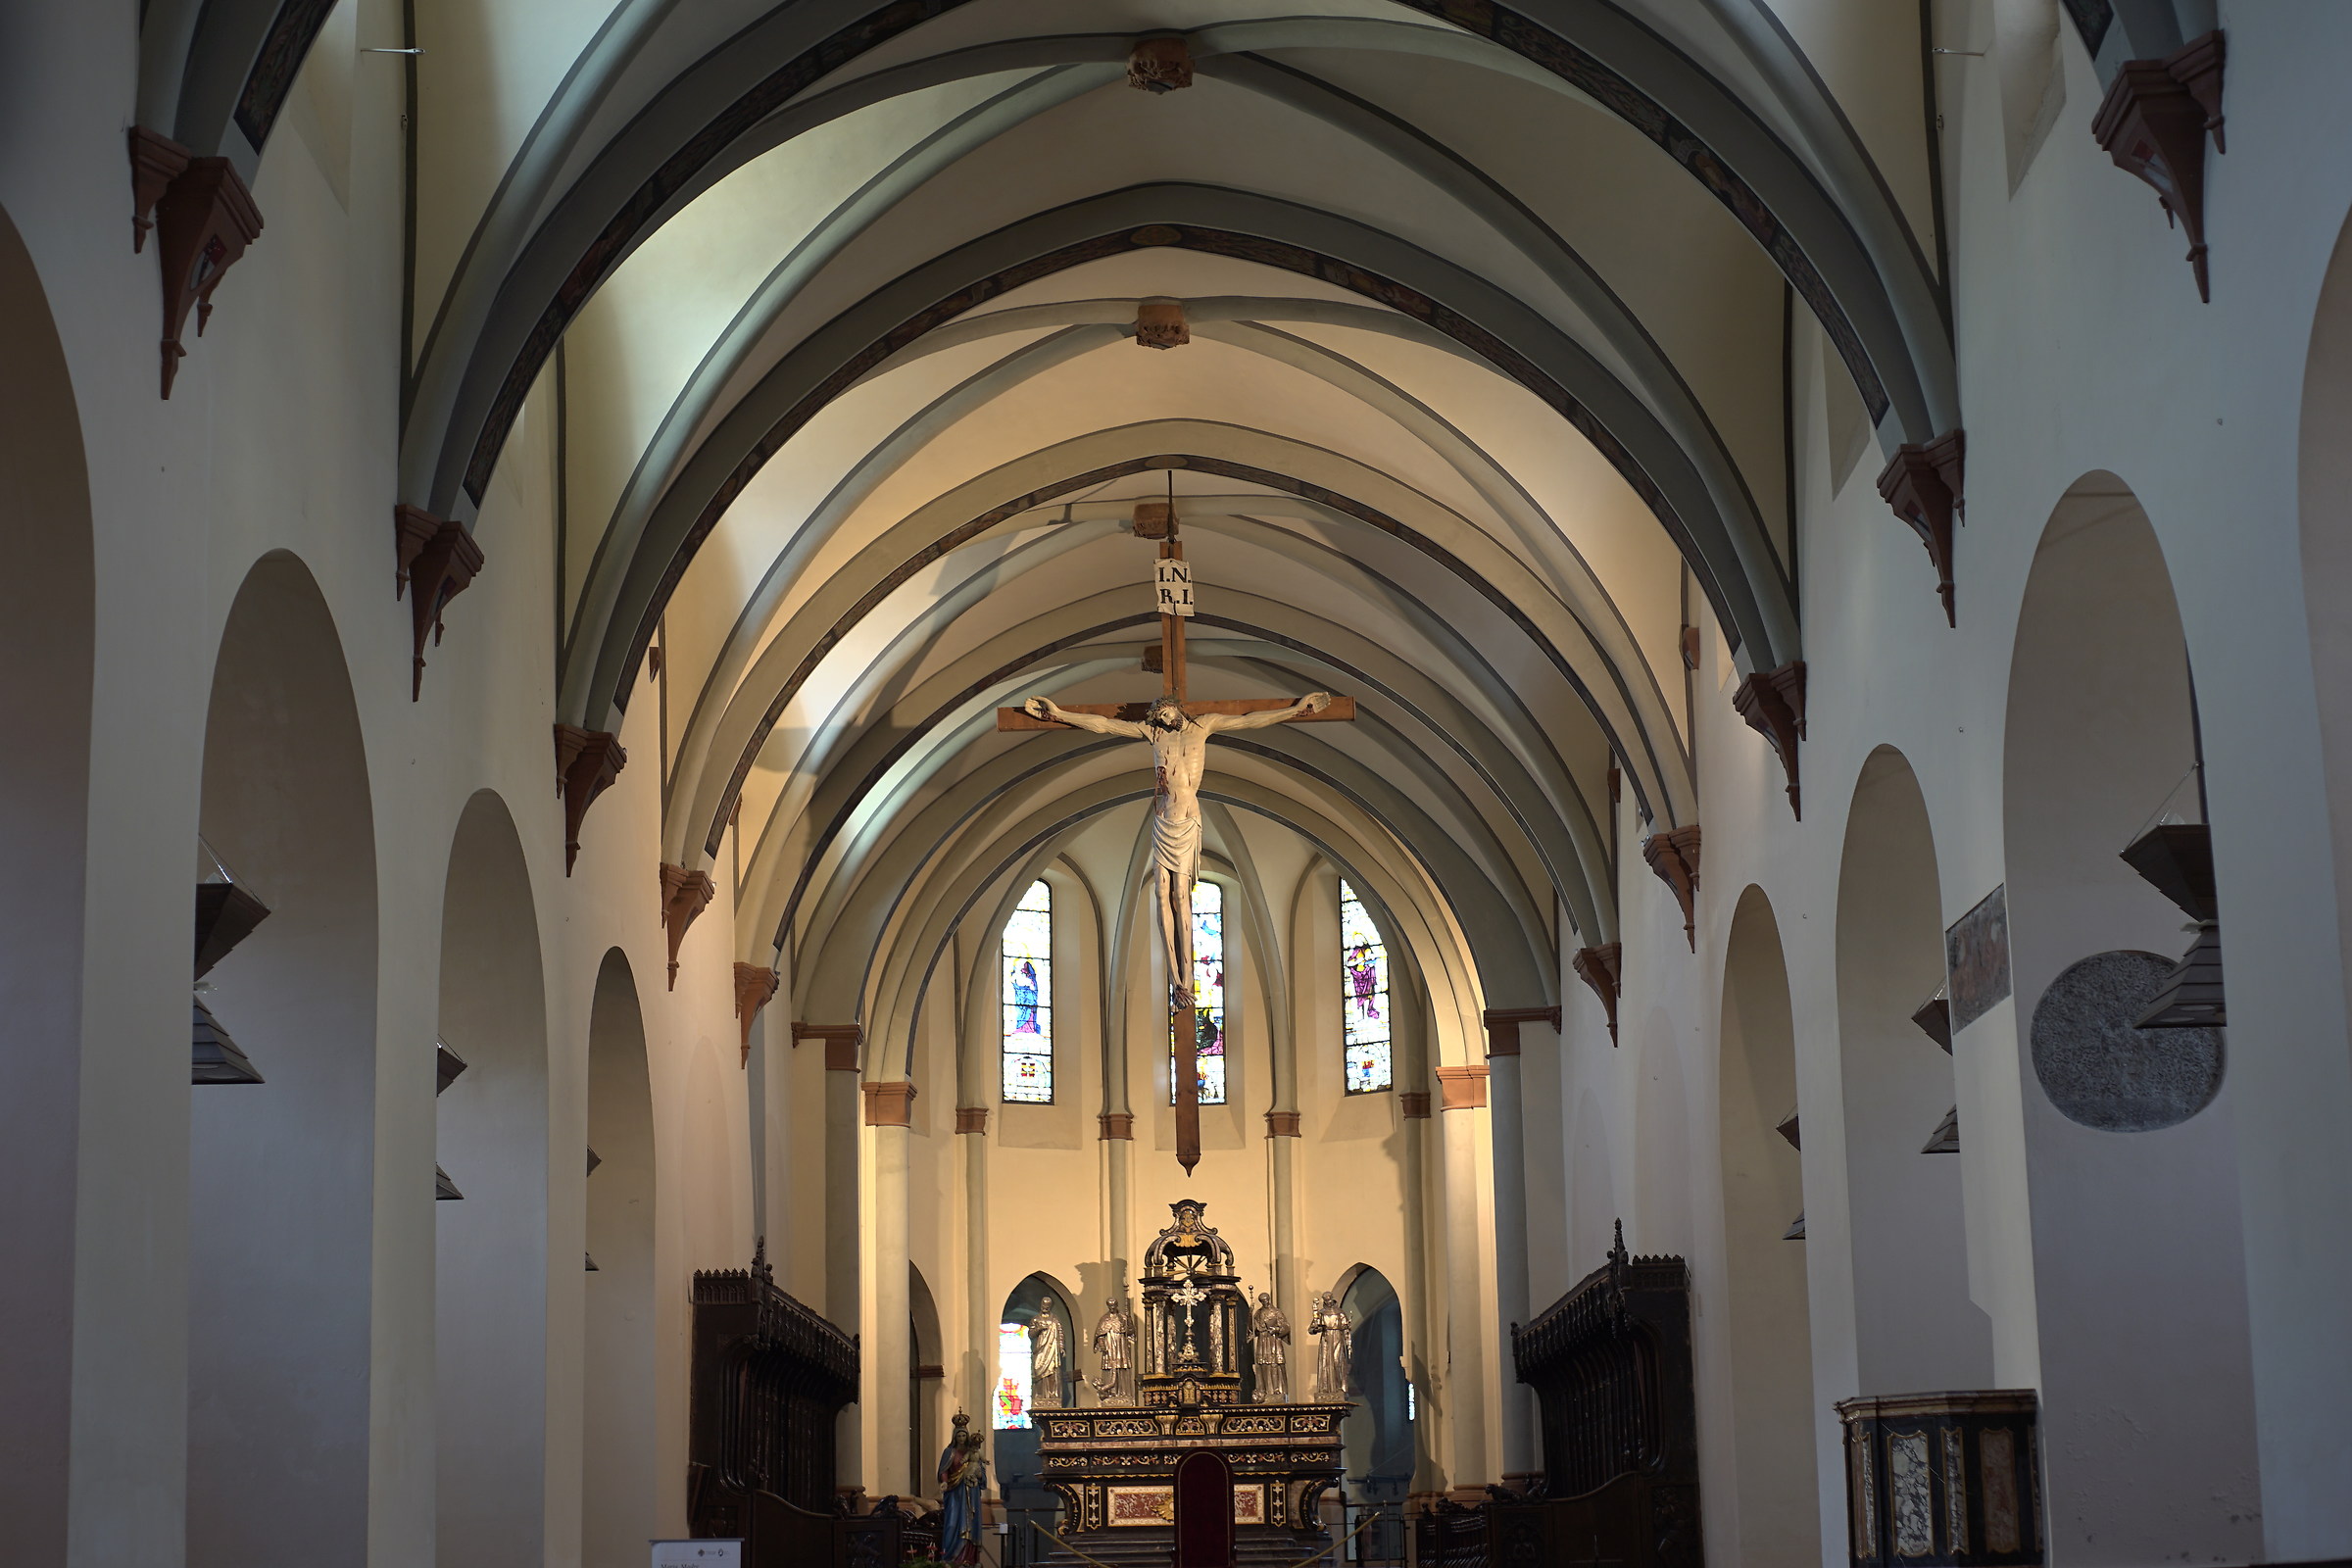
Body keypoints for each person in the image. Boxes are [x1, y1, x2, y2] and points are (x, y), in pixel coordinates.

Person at [1020, 691, 1330, 1007]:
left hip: (1186, 820)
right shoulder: (1152, 734)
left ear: (1176, 709)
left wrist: (1294, 711)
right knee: (1160, 893)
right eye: (1161, 718)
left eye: (1167, 714)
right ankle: (1175, 977)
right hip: (1163, 821)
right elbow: (1103, 725)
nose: (1166, 720)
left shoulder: (1204, 726)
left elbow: (1250, 720)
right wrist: (1059, 714)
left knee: (1181, 895)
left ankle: (1189, 977)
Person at [935, 1411, 987, 1566]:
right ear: (955, 1436)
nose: (962, 1439)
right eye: (959, 1436)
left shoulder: (974, 1453)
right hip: (954, 1493)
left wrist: (978, 1474)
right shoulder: (949, 1452)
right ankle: (950, 1557)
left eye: (964, 1436)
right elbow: (944, 1470)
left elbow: (981, 1471)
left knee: (971, 1523)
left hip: (971, 1490)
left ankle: (969, 1559)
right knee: (952, 1524)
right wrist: (944, 1482)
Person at [1308, 1292, 1355, 1400]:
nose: (1328, 1302)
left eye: (1329, 1299)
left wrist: (1348, 1341)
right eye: (1325, 1300)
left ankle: (1339, 1388)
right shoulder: (1321, 1313)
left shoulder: (1340, 1313)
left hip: (1337, 1338)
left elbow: (1346, 1329)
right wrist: (1317, 1326)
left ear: (1332, 1299)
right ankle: (1325, 1388)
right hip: (1326, 1339)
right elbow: (1312, 1329)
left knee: (1337, 1362)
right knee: (1325, 1362)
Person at [1250, 1292, 1292, 1403]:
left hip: (1273, 1340)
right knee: (1263, 1365)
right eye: (1263, 1301)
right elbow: (1252, 1328)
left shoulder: (1276, 1312)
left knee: (1275, 1364)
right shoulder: (1258, 1313)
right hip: (1263, 1341)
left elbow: (1285, 1326)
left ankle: (1276, 1389)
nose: (1265, 1302)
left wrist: (1277, 1329)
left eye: (1267, 1300)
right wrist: (1250, 1315)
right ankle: (1264, 1390)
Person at [1030, 1298, 1066, 1408]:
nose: (1045, 1307)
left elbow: (1060, 1333)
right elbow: (1031, 1334)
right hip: (1041, 1350)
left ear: (1050, 1306)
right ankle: (1040, 1395)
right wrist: (1038, 1328)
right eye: (1043, 1304)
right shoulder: (1036, 1319)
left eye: (1047, 1305)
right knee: (1038, 1372)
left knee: (1052, 1373)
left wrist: (1061, 1347)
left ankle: (1052, 1395)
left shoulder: (1055, 1319)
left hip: (1052, 1350)